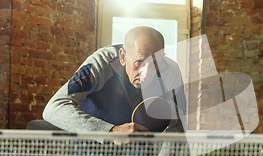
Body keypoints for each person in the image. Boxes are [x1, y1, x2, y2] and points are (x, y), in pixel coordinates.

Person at [43, 26, 186, 135]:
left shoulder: (171, 72)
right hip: (90, 148)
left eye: (155, 63)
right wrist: (112, 131)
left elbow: (177, 127)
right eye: (139, 62)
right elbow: (53, 109)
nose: (146, 73)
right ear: (123, 57)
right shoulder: (100, 63)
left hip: (139, 154)